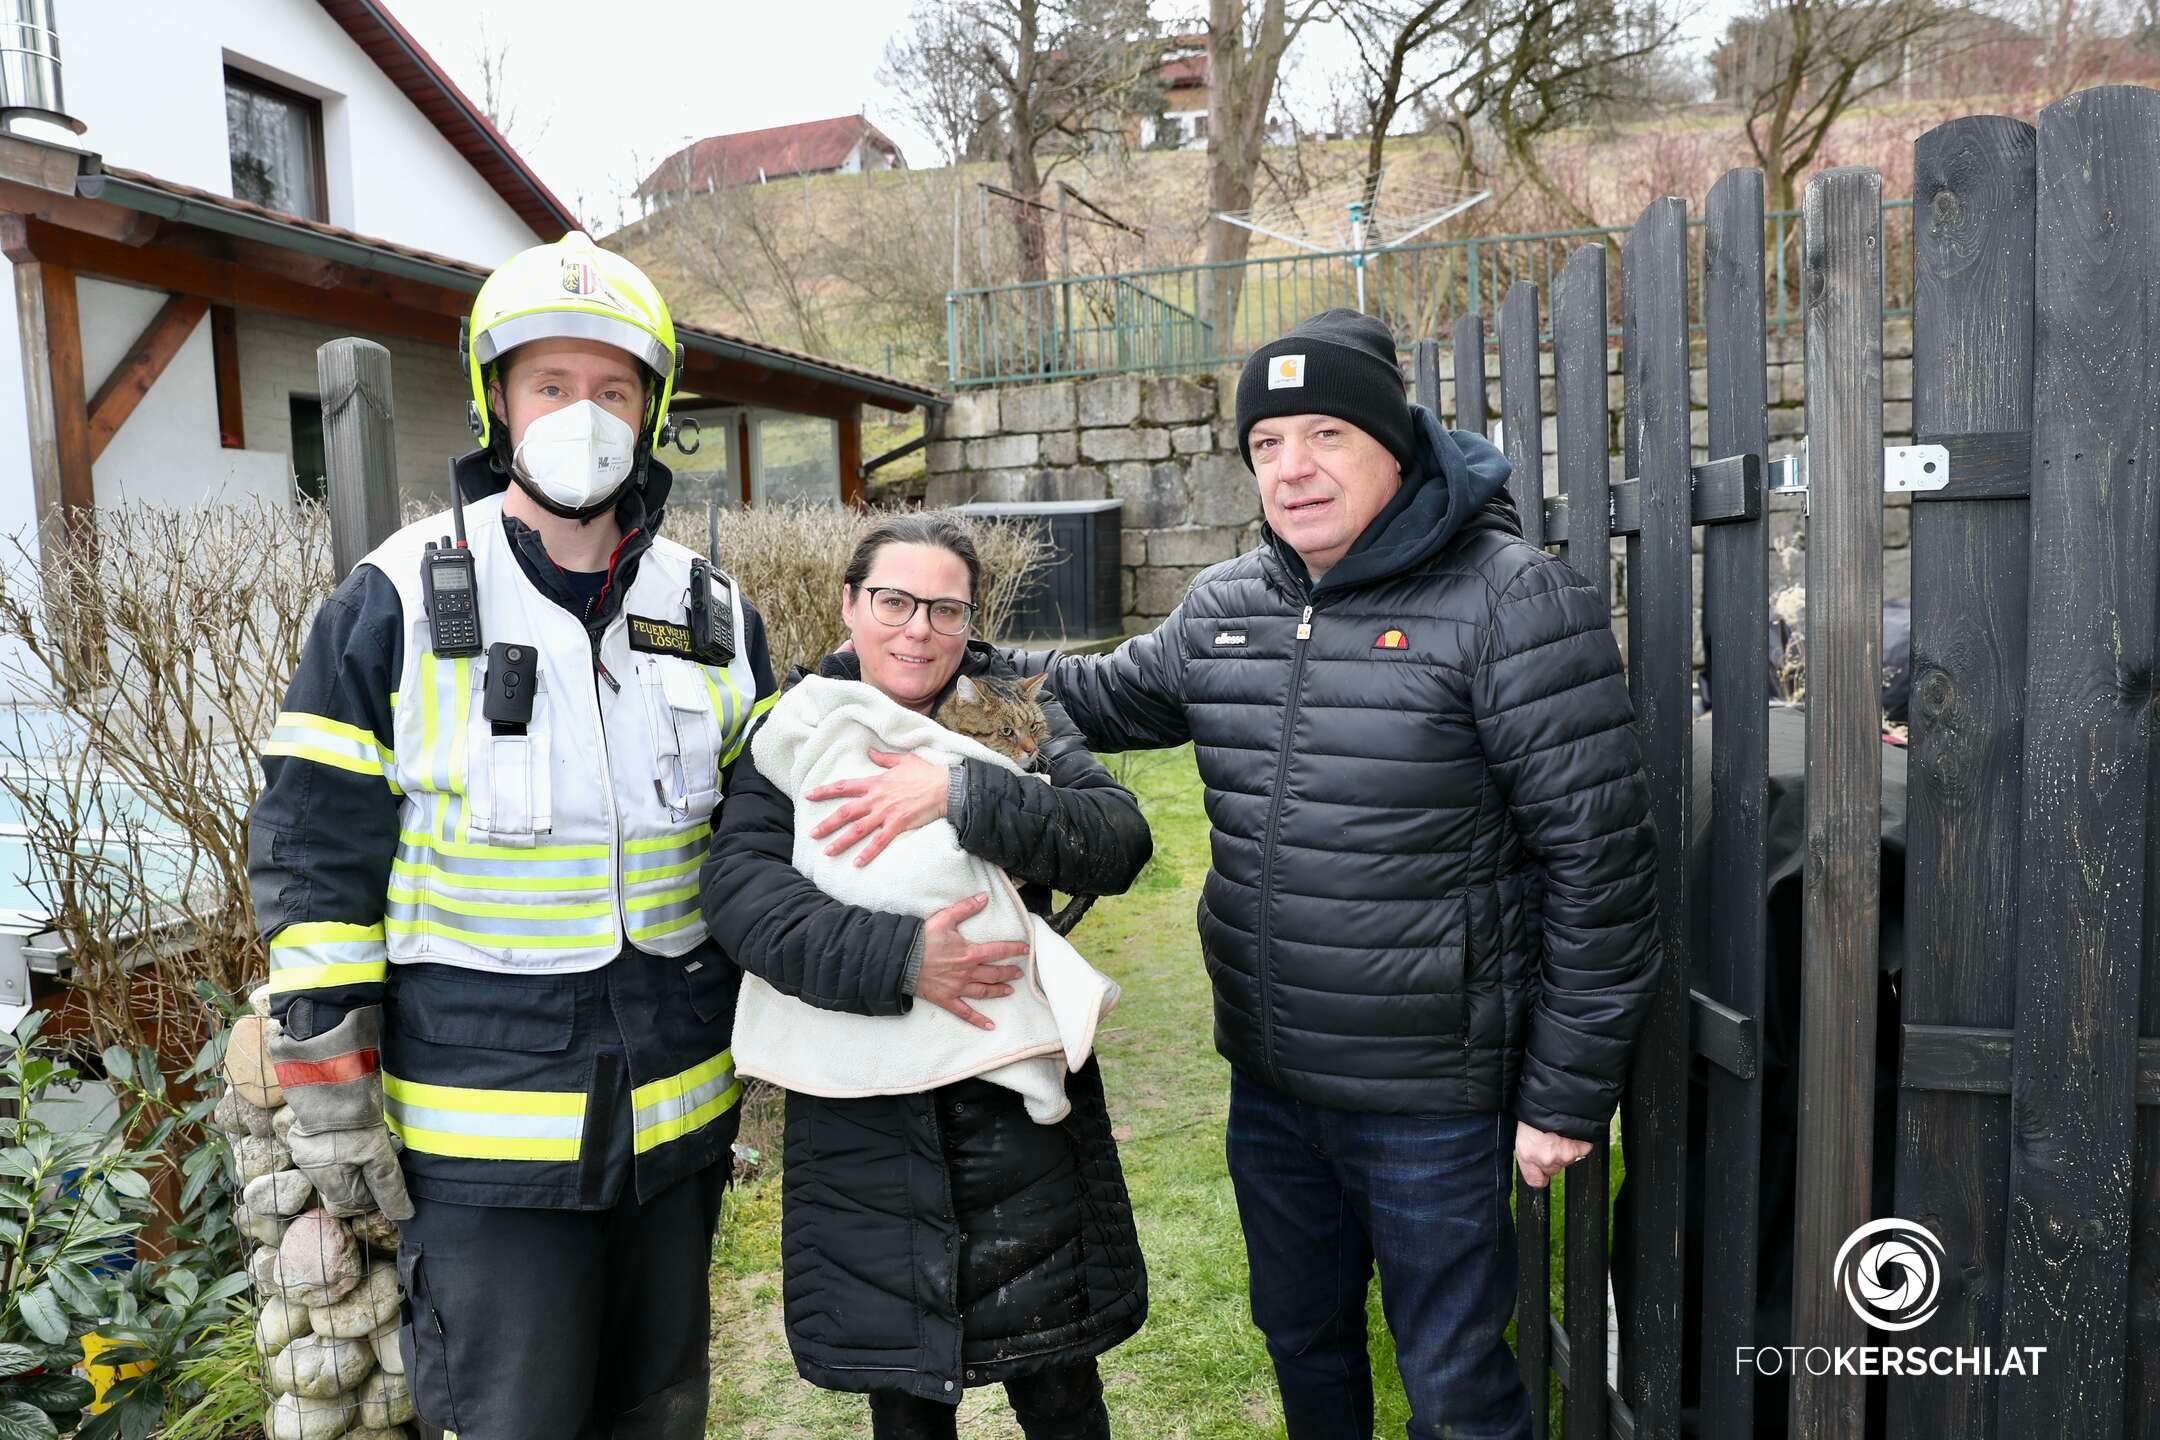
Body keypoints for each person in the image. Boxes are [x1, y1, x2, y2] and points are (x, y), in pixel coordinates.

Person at [1001, 308, 1663, 1439]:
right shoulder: (1228, 607)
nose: (1293, 468)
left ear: (1393, 446)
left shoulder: (1510, 599)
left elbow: (1603, 869)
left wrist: (1562, 1097)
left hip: (1433, 1099)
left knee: (1454, 1386)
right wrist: (927, 658)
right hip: (1271, 1085)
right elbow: (1090, 694)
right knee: (1303, 1345)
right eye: (1267, 443)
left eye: (1325, 435)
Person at [249, 232, 774, 1440]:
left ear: (652, 411)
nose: (582, 415)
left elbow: (766, 830)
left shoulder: (709, 611)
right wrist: (328, 1078)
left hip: (678, 1130)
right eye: (550, 383)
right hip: (485, 1149)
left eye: (612, 388)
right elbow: (317, 847)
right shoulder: (394, 597)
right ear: (497, 401)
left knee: (659, 1415)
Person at [700, 513, 1151, 1440]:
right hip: (866, 1125)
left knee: (1060, 1390)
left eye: (946, 610)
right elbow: (742, 897)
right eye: (894, 602)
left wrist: (961, 791)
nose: (919, 629)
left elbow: (1116, 838)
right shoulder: (800, 729)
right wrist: (904, 958)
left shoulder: (1013, 709)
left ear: (970, 621)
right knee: (905, 1400)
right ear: (849, 605)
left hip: (1016, 1120)